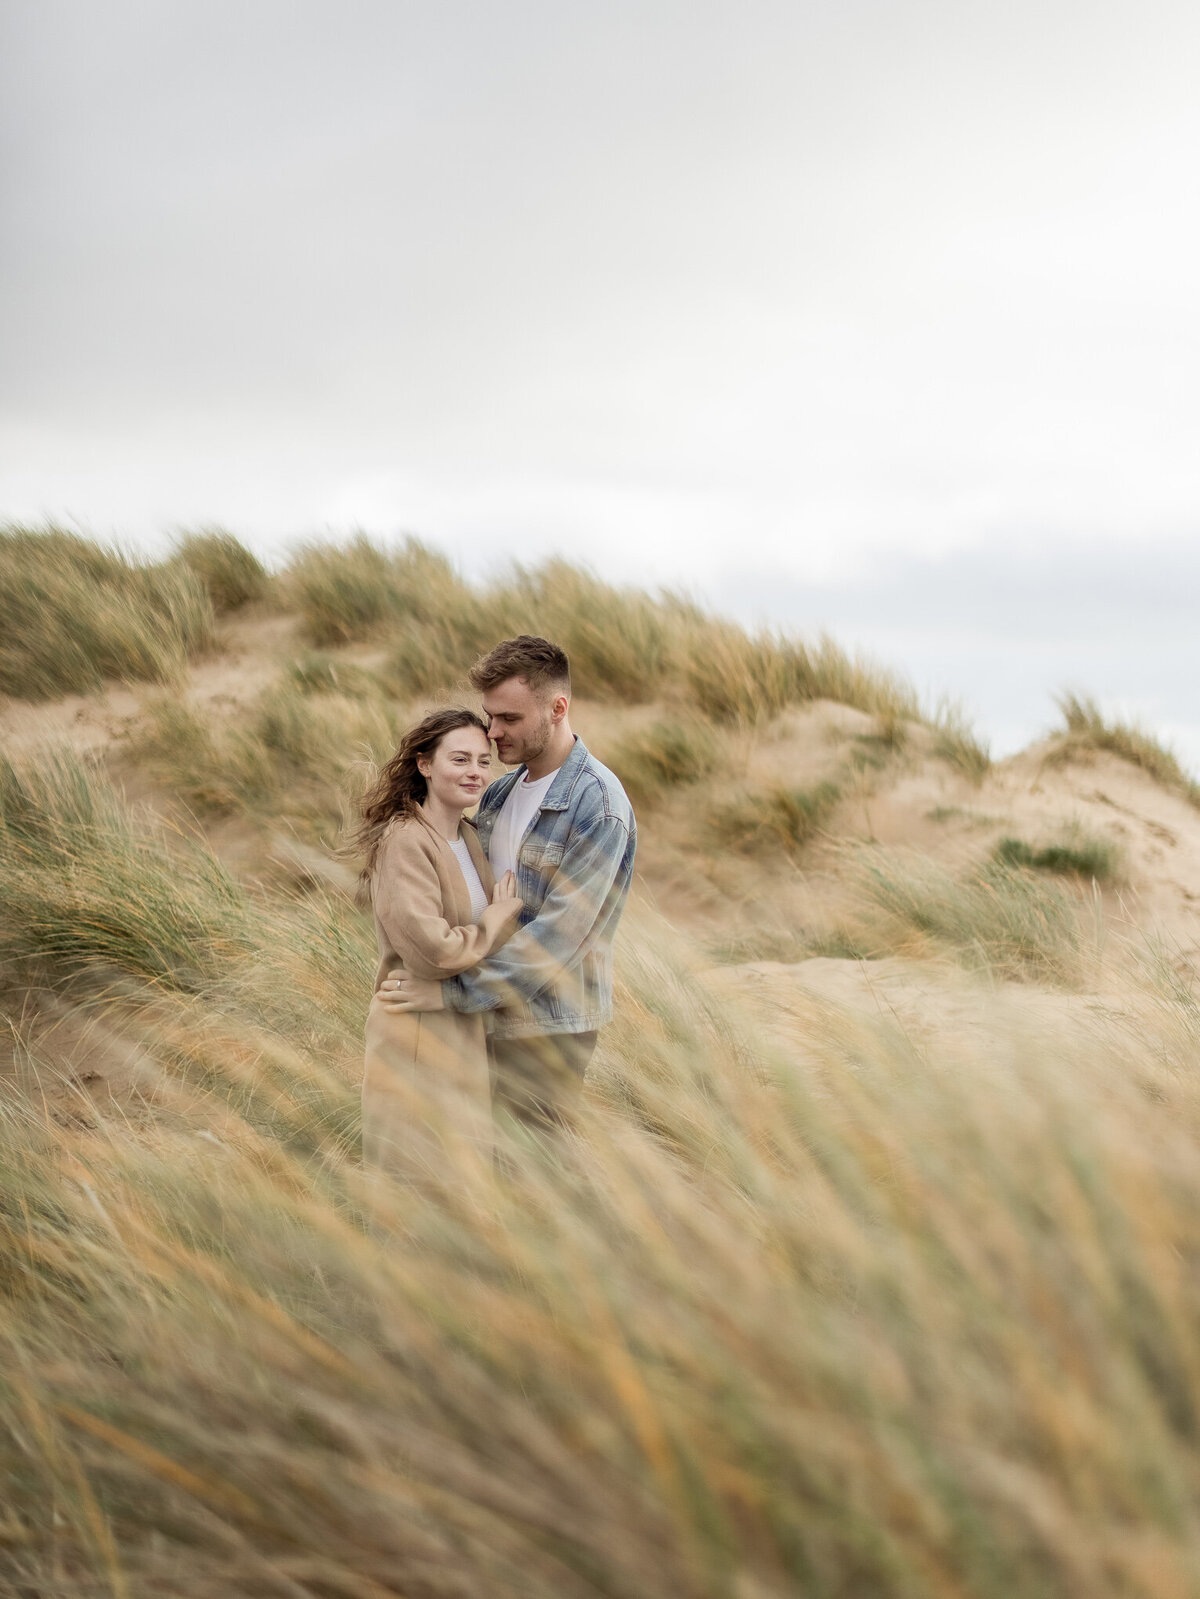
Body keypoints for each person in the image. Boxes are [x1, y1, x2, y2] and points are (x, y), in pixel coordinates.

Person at [377, 635, 637, 1133]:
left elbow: (560, 938)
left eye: (510, 719)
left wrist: (453, 993)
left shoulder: (597, 806)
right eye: (490, 716)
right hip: (482, 1022)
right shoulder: (497, 794)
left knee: (536, 1183)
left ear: (558, 708)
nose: (493, 733)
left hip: (546, 1028)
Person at [356, 707, 523, 1181]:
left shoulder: (470, 838)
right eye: (460, 759)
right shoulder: (405, 839)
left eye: (483, 761)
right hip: (414, 1036)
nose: (475, 772)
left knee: (464, 1187)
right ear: (424, 764)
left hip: (463, 1032)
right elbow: (433, 951)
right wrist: (491, 925)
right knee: (415, 1189)